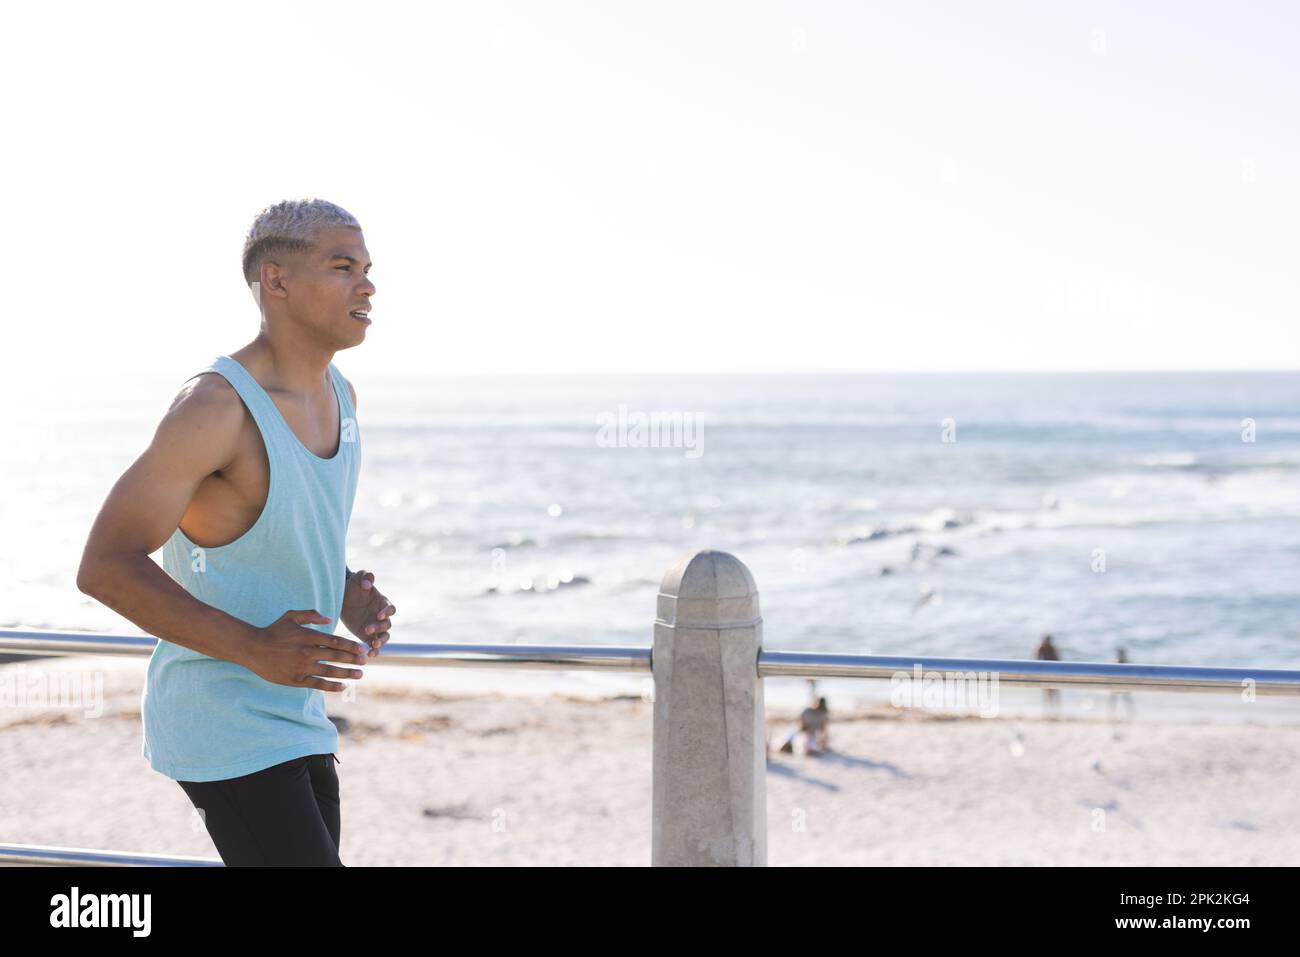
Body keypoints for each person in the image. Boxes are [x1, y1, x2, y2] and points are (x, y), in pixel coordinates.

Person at [76, 199, 397, 866]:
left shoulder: (341, 395)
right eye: (342, 267)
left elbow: (271, 527)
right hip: (222, 717)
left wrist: (342, 589)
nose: (366, 285)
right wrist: (252, 647)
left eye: (367, 269)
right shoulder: (215, 407)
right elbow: (105, 563)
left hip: (297, 711)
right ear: (276, 281)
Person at [1109, 646, 1136, 723]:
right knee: (1120, 701)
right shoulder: (1127, 662)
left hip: (1119, 685)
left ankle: (1128, 715)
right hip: (1123, 685)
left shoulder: (1116, 662)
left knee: (1121, 701)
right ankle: (1115, 715)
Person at [1035, 633, 1061, 716]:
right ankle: (1049, 711)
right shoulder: (1042, 648)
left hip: (1050, 672)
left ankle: (1054, 710)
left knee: (1052, 691)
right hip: (1047, 672)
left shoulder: (1050, 649)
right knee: (1048, 691)